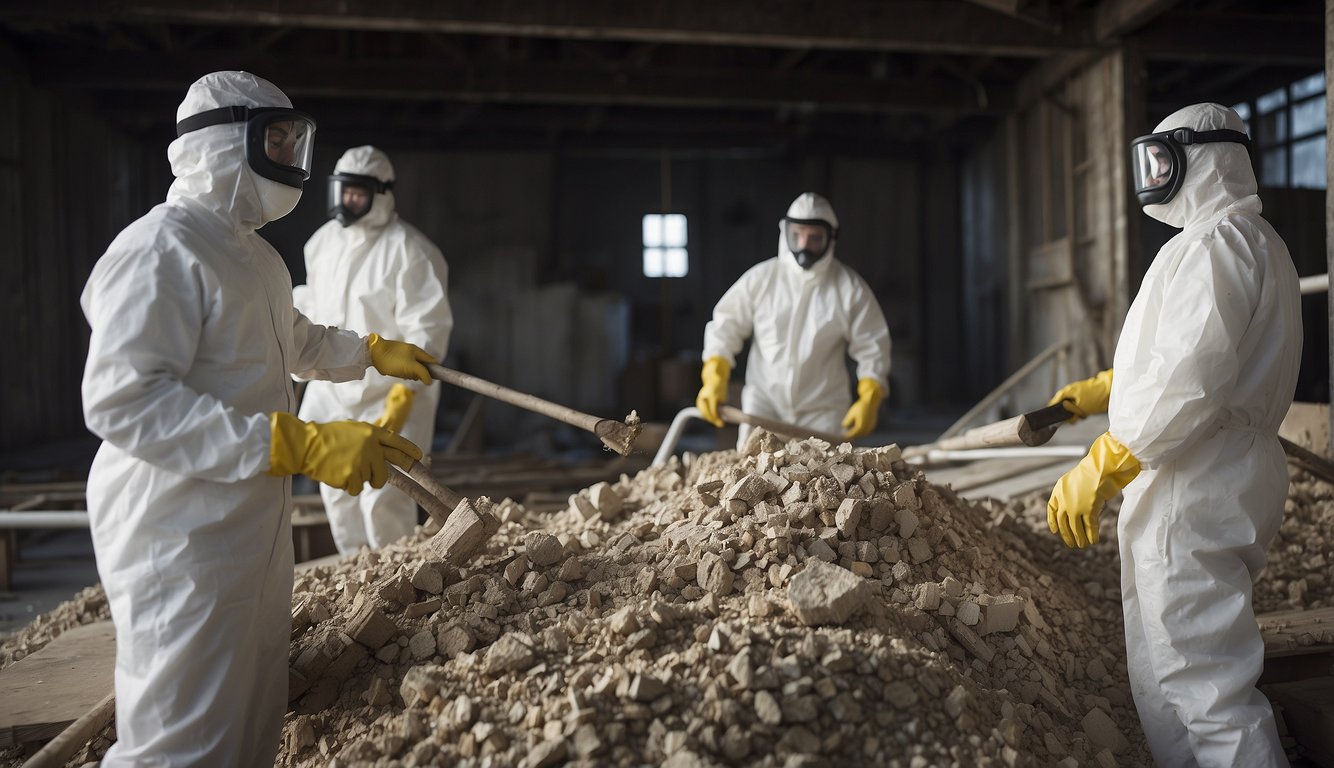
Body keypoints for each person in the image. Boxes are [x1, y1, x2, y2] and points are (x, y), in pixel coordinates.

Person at [79, 71, 439, 766]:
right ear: (222, 144)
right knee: (180, 740)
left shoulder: (257, 256)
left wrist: (367, 351)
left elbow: (293, 341)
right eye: (273, 139)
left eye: (292, 140)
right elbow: (123, 399)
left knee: (248, 722)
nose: (288, 157)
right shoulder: (162, 249)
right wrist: (293, 442)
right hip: (176, 527)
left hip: (244, 521)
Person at [1046, 103, 1301, 766]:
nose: (1154, 175)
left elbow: (1192, 375)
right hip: (1212, 467)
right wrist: (1109, 386)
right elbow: (1196, 356)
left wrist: (1111, 454)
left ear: (1205, 157)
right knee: (1169, 675)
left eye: (1164, 159)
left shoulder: (1217, 244)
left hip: (1194, 475)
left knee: (1205, 687)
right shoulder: (1248, 240)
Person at [294, 145, 452, 553]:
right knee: (337, 487)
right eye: (341, 191)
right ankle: (357, 577)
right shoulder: (321, 244)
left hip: (387, 396)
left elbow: (428, 329)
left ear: (381, 193)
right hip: (331, 389)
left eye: (357, 193)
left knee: (385, 498)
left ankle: (394, 583)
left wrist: (405, 394)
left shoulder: (411, 251)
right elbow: (311, 307)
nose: (347, 201)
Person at [696, 192, 891, 445]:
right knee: (753, 478)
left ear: (830, 238)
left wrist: (870, 398)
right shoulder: (761, 279)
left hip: (824, 412)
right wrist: (714, 377)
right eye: (796, 234)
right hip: (763, 406)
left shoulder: (850, 289)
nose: (803, 245)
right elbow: (725, 326)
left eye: (814, 238)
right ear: (785, 232)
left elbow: (873, 345)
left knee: (827, 482)